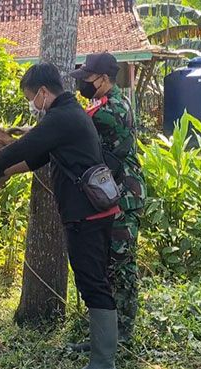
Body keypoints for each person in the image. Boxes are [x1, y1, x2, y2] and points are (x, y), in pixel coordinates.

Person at [0, 62, 120, 369]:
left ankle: (104, 365)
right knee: (92, 281)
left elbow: (23, 146)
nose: (32, 104)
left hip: (87, 215)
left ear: (44, 93)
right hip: (89, 211)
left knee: (93, 284)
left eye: (32, 98)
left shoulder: (61, 117)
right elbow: (35, 158)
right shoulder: (69, 114)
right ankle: (98, 347)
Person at [69, 52, 146, 345]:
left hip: (123, 196)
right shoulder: (104, 104)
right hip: (109, 193)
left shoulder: (109, 109)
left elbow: (71, 125)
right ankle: (107, 333)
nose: (83, 85)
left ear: (102, 79)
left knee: (121, 264)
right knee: (106, 265)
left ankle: (122, 334)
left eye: (87, 79)